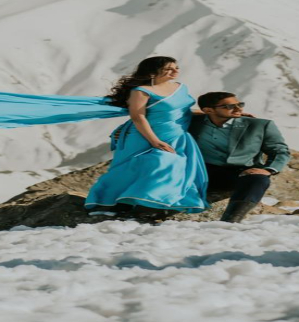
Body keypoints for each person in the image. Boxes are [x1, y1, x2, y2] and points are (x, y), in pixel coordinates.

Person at [84, 56, 209, 218]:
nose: (175, 71)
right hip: (144, 135)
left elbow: (183, 111)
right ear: (152, 72)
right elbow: (138, 117)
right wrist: (155, 141)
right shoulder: (141, 91)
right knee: (139, 167)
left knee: (169, 168)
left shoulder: (180, 87)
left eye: (176, 67)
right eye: (169, 68)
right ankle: (116, 203)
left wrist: (218, 114)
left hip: (176, 135)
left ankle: (153, 203)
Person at [189, 91, 291, 223]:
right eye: (230, 106)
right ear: (208, 110)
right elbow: (167, 111)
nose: (239, 109)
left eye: (240, 104)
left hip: (239, 172)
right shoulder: (194, 123)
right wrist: (198, 113)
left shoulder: (259, 125)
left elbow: (280, 151)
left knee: (258, 179)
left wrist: (269, 169)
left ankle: (231, 220)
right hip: (203, 172)